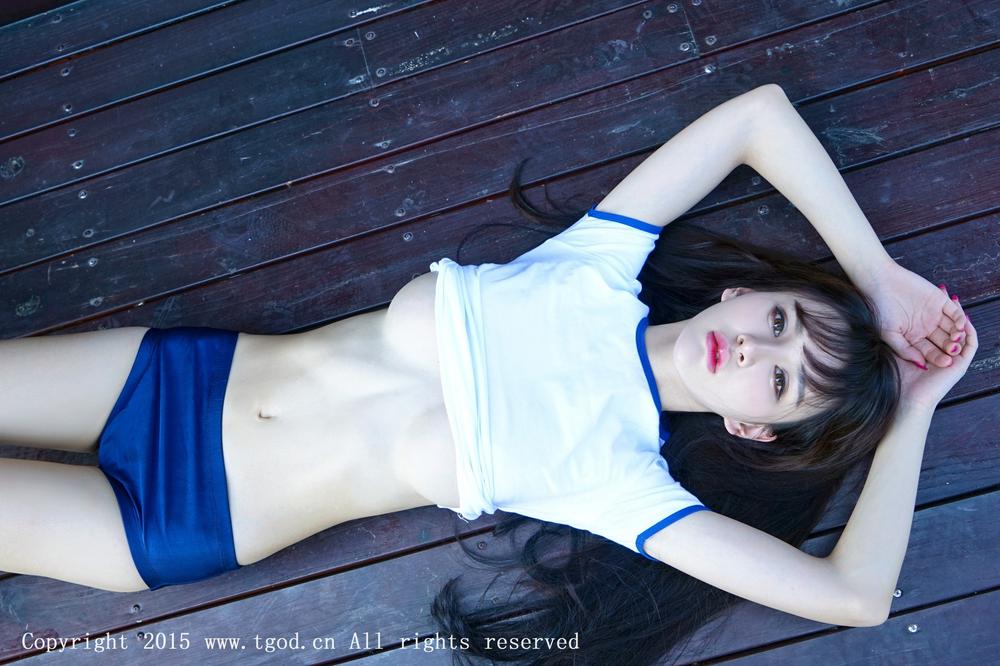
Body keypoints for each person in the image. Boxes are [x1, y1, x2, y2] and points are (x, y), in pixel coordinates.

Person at [0, 85, 975, 663]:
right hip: (174, 379)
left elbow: (854, 597)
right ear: (741, 295)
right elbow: (758, 116)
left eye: (781, 383)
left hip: (179, 522)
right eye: (779, 322)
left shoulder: (622, 486)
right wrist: (875, 278)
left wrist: (914, 404)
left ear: (752, 429)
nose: (757, 350)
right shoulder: (594, 266)